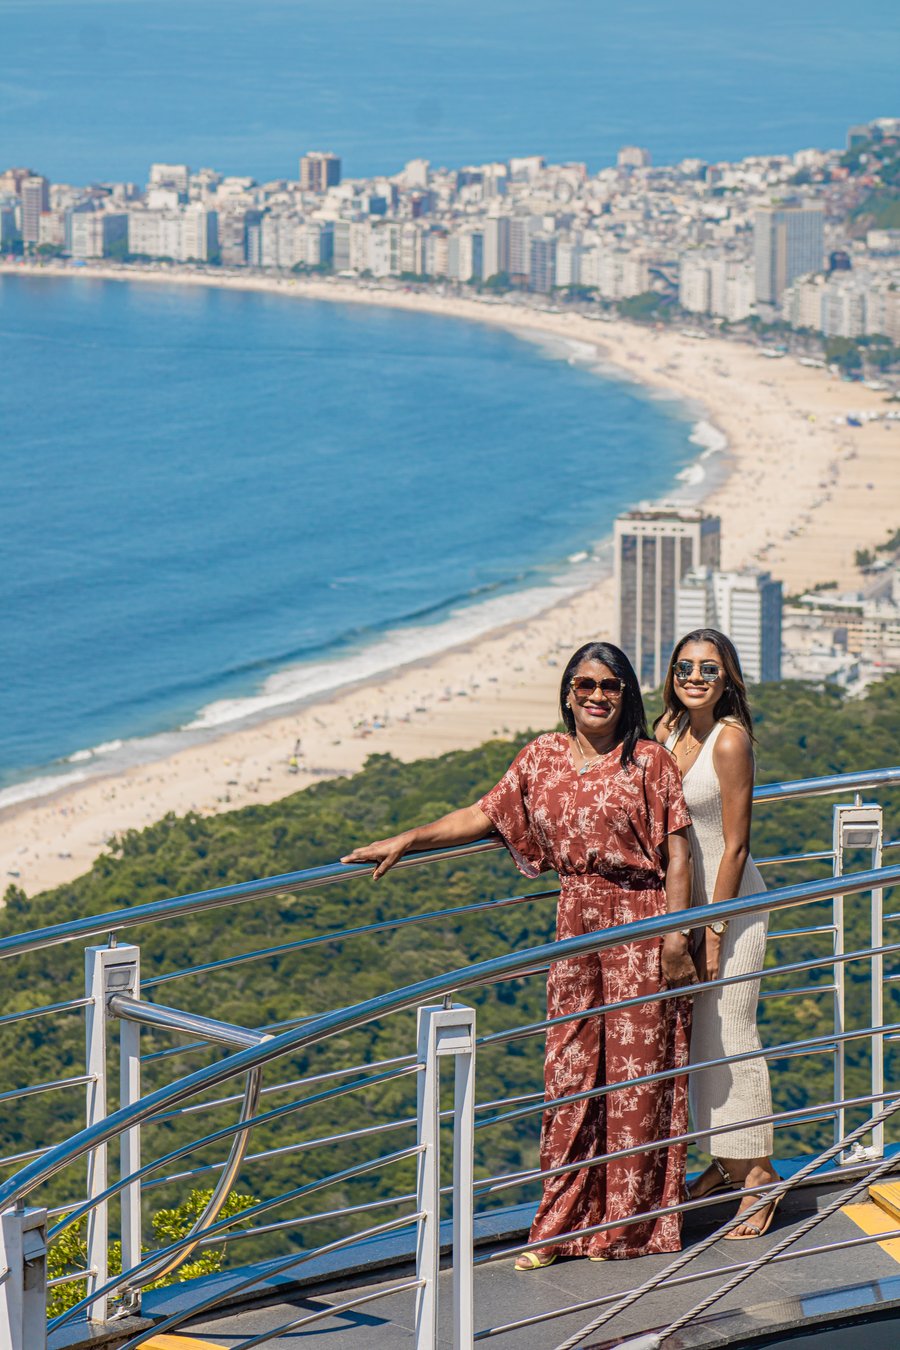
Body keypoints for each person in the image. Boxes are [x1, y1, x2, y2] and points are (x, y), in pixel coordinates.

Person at [342, 641, 697, 1265]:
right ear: (567, 692)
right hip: (576, 925)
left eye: (610, 685)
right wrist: (410, 838)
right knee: (570, 1075)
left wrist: (677, 936)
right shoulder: (543, 757)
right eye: (585, 684)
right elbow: (483, 815)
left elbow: (679, 854)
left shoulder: (649, 762)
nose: (596, 695)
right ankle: (559, 1227)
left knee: (639, 1078)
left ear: (627, 695)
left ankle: (627, 1227)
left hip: (643, 924)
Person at [656, 629, 778, 1240]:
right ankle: (722, 1163)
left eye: (709, 668)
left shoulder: (730, 742)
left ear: (728, 678)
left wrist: (711, 929)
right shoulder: (667, 732)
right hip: (687, 911)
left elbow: (735, 846)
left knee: (731, 1031)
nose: (695, 677)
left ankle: (758, 1178)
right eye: (685, 666)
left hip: (730, 912)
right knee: (699, 1038)